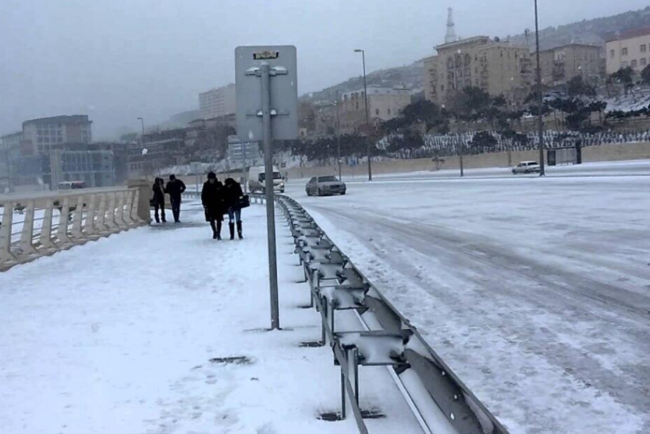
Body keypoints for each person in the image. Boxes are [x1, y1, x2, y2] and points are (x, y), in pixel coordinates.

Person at [201, 172, 225, 239]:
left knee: (219, 220)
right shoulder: (206, 185)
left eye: (212, 179)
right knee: (211, 220)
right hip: (209, 206)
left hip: (218, 205)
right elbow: (203, 196)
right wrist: (204, 204)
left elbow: (223, 193)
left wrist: (222, 201)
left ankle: (218, 233)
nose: (211, 180)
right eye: (210, 179)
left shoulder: (219, 184)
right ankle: (214, 231)